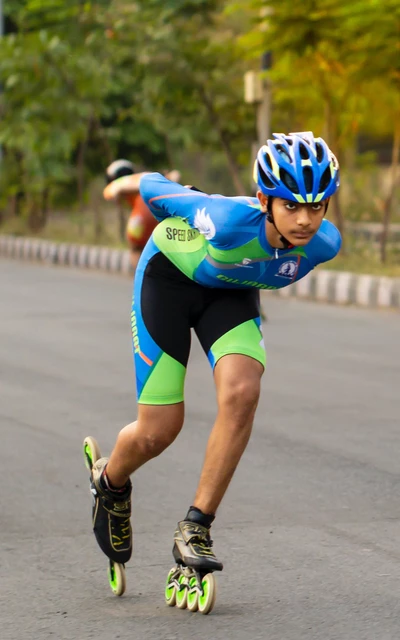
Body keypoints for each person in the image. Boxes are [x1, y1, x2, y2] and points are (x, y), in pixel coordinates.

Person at [86, 132, 341, 609]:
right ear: (264, 199)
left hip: (229, 294)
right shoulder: (224, 222)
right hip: (169, 278)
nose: (306, 219)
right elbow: (154, 188)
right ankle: (110, 482)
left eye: (318, 205)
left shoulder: (324, 243)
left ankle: (195, 527)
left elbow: (275, 257)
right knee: (159, 430)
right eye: (291, 205)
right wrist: (146, 192)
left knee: (243, 392)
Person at [103, 159, 180, 269]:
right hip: (161, 212)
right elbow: (175, 176)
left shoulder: (121, 183)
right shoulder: (148, 177)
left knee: (136, 248)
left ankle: (142, 278)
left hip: (142, 215)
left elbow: (109, 193)